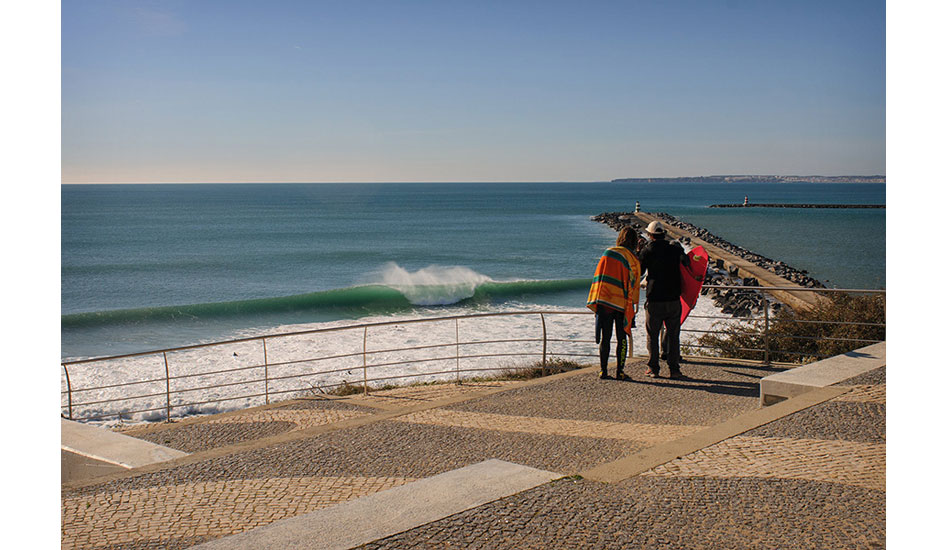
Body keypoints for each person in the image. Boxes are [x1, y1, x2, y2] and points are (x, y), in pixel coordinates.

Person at [587, 226, 641, 380]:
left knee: (606, 338)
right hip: (622, 304)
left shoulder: (608, 253)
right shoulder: (633, 259)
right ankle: (620, 371)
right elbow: (634, 283)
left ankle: (603, 371)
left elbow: (599, 277)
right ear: (634, 241)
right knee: (621, 338)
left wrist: (597, 299)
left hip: (605, 301)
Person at [637, 220, 689, 379]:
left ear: (650, 235)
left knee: (652, 336)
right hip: (673, 298)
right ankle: (674, 370)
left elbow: (639, 271)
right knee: (673, 336)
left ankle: (653, 368)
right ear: (664, 234)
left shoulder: (648, 250)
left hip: (655, 299)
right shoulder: (674, 249)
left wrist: (639, 252)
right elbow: (687, 262)